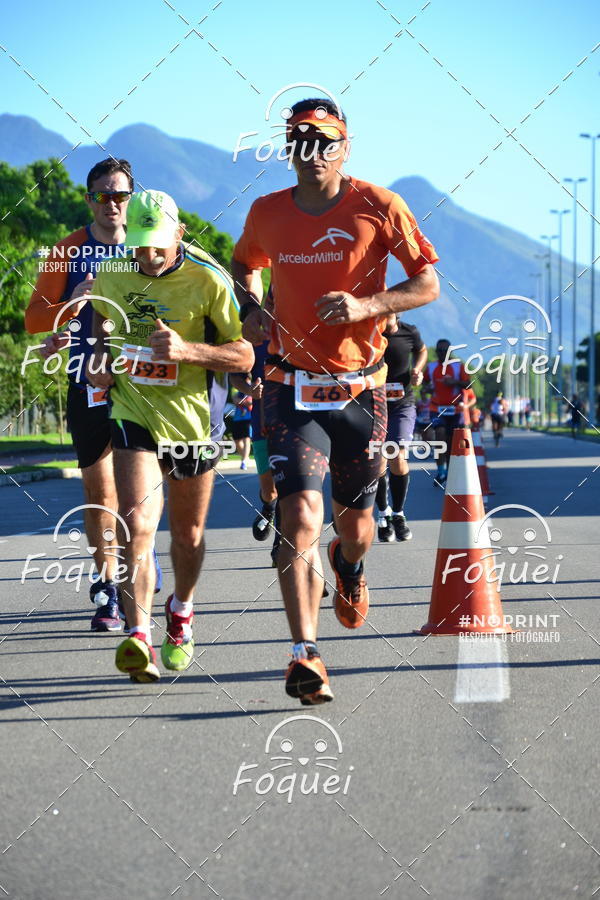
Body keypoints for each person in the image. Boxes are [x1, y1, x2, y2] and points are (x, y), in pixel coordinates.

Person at [232, 97, 439, 704]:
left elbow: (427, 282)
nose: (311, 150)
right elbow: (244, 265)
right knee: (298, 516)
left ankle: (347, 567)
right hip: (290, 386)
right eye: (300, 138)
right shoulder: (267, 212)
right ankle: (305, 654)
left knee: (357, 528)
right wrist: (253, 309)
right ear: (288, 146)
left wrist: (367, 306)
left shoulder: (378, 206)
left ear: (344, 147)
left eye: (325, 140)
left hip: (360, 390)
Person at [87, 189, 253, 682]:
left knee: (188, 535)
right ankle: (138, 637)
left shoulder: (208, 279)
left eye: (157, 245)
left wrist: (186, 352)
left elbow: (242, 355)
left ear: (179, 234)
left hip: (193, 422)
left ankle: (181, 609)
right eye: (139, 245)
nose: (148, 255)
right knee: (136, 523)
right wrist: (98, 364)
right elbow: (100, 329)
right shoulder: (113, 275)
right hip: (132, 410)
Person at [25, 158, 162, 632]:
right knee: (99, 492)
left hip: (143, 383)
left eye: (121, 195)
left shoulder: (149, 247)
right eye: (103, 195)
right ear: (90, 200)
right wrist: (71, 304)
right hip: (88, 383)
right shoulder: (66, 251)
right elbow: (33, 320)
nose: (112, 204)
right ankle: (108, 585)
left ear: (131, 200)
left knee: (135, 497)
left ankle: (139, 557)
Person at [375, 314, 427, 542]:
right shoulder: (371, 332)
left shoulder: (409, 331)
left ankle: (399, 514)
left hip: (403, 403)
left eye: (386, 314)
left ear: (396, 314)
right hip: (374, 404)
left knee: (396, 455)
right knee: (378, 462)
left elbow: (422, 350)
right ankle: (383, 513)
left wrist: (417, 369)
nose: (381, 319)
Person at [230, 338, 281, 564]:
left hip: (297, 426)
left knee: (291, 491)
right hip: (263, 425)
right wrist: (250, 390)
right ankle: (268, 507)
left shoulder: (303, 340)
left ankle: (281, 546)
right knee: (270, 490)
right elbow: (235, 376)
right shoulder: (256, 344)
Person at [423, 339, 470, 484]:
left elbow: (468, 384)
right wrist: (428, 389)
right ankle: (441, 471)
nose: (442, 353)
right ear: (436, 352)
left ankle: (450, 471)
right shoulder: (431, 367)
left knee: (451, 442)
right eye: (440, 350)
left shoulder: (458, 366)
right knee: (440, 435)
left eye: (445, 350)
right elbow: (424, 383)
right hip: (437, 408)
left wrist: (455, 382)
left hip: (455, 409)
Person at [231, 391, 252, 469]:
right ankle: (245, 457)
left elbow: (251, 403)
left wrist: (240, 401)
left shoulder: (252, 389)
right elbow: (235, 400)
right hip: (237, 419)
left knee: (246, 438)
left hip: (249, 418)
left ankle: (244, 461)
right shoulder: (238, 392)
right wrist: (244, 401)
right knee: (237, 440)